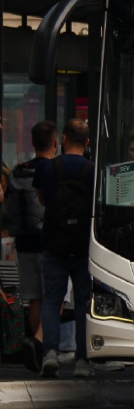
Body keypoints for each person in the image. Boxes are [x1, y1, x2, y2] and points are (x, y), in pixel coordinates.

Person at [33, 119, 93, 379]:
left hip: (53, 243)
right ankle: (82, 360)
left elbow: (43, 200)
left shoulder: (48, 168)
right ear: (88, 142)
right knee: (83, 304)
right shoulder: (92, 170)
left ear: (64, 139)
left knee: (51, 300)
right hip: (83, 248)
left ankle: (50, 354)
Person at [6, 121, 56, 359]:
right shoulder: (55, 170)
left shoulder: (18, 171)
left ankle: (37, 348)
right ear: (56, 143)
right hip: (49, 244)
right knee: (54, 297)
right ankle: (41, 343)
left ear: (33, 143)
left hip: (24, 244)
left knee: (34, 298)